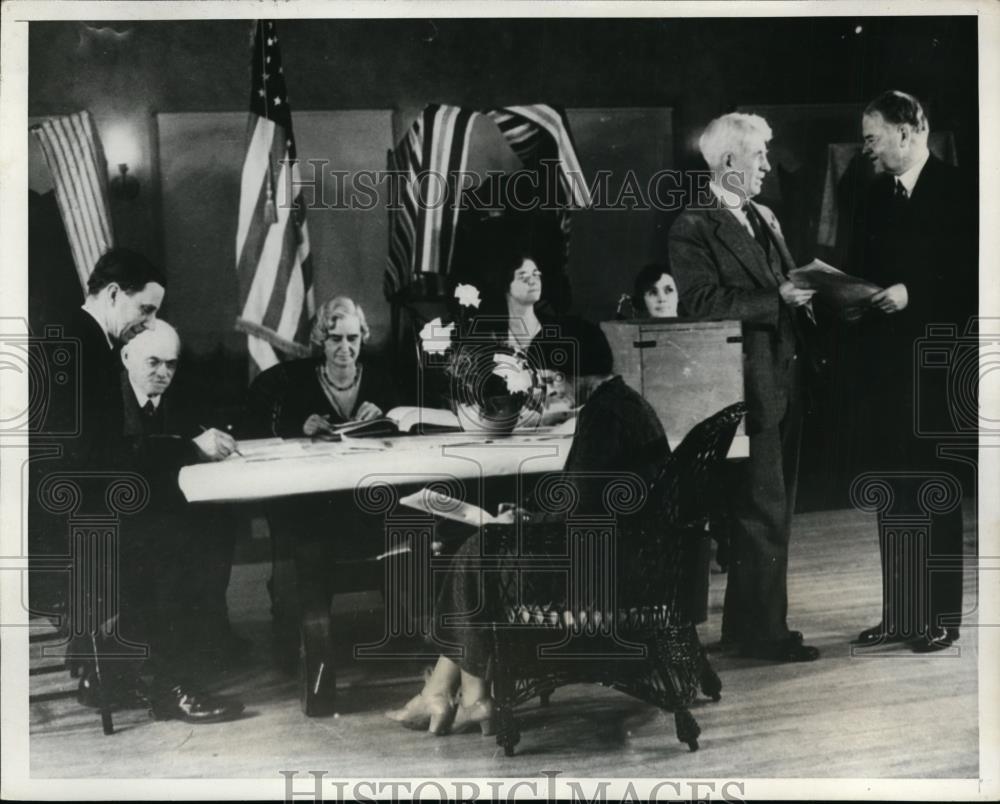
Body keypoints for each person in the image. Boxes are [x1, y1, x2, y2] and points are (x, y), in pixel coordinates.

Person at [386, 318, 671, 735]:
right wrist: (525, 518)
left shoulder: (605, 415)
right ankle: (457, 695)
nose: (549, 387)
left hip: (611, 574)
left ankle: (464, 696)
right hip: (628, 557)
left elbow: (578, 513)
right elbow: (586, 502)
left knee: (479, 550)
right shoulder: (620, 404)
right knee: (482, 548)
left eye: (549, 377)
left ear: (564, 372)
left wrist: (523, 523)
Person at [668, 112, 819, 662]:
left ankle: (747, 626)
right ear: (729, 162)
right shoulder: (693, 225)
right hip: (744, 386)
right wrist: (777, 297)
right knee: (761, 509)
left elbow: (783, 287)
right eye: (759, 157)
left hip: (783, 376)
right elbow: (701, 304)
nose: (766, 166)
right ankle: (763, 634)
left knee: (773, 508)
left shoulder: (765, 216)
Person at [848, 90, 974, 652]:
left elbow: (977, 281)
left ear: (907, 131)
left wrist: (912, 294)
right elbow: (863, 273)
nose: (867, 148)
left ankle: (942, 617)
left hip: (938, 370)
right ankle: (900, 614)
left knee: (936, 494)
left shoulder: (964, 190)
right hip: (884, 373)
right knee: (893, 494)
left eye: (873, 137)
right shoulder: (873, 196)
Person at [82, 320, 245, 722]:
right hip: (95, 529)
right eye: (153, 362)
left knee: (215, 529)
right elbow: (122, 458)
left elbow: (169, 442)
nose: (163, 373)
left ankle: (164, 659)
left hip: (138, 521)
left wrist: (205, 439)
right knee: (173, 554)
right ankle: (169, 686)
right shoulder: (106, 397)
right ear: (126, 357)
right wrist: (190, 447)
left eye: (171, 365)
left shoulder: (166, 396)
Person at [243, 296, 396, 438]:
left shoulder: (379, 380)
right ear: (322, 339)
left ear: (362, 337)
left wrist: (385, 416)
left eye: (352, 338)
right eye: (336, 339)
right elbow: (260, 429)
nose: (345, 347)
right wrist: (301, 428)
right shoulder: (295, 382)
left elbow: (399, 424)